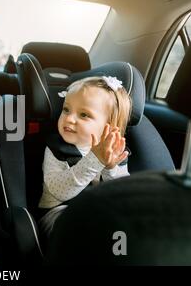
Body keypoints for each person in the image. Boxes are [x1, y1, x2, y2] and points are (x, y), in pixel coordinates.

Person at [37, 76, 132, 246]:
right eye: (66, 110)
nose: (70, 118)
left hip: (98, 212)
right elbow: (59, 191)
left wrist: (110, 167)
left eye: (83, 114)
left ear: (108, 126)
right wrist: (95, 160)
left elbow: (122, 194)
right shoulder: (56, 148)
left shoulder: (115, 151)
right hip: (59, 213)